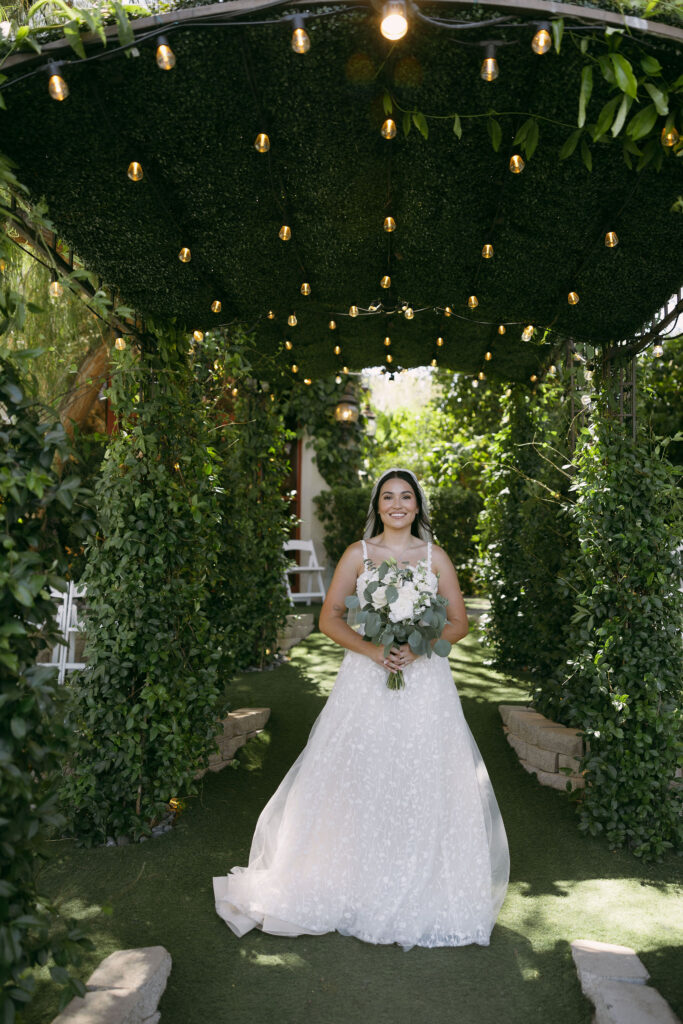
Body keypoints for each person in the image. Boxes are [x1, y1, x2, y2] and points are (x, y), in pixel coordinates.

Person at [213, 468, 509, 950]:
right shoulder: (359, 554)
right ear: (378, 506)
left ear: (417, 506)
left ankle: (421, 879)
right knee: (357, 771)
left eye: (406, 497)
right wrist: (375, 651)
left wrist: (418, 647)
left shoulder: (436, 557)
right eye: (388, 497)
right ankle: (346, 877)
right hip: (365, 681)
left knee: (420, 772)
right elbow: (328, 617)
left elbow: (458, 622)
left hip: (425, 684)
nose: (397, 504)